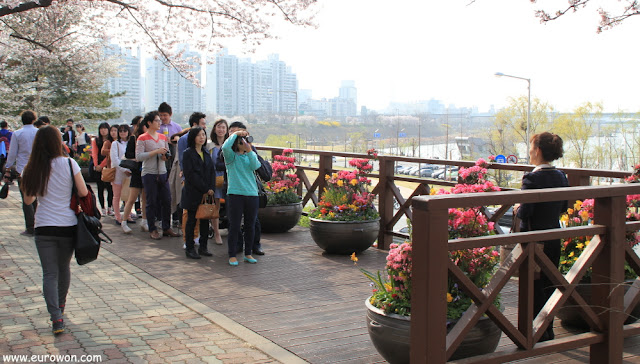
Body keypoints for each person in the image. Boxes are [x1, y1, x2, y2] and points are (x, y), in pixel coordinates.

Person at [20, 125, 89, 335]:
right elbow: (84, 191)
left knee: (49, 273)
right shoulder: (69, 164)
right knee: (63, 269)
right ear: (57, 142)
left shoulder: (31, 168)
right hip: (67, 225)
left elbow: (28, 200)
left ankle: (56, 318)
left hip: (43, 226)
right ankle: (60, 307)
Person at [516, 131, 569, 343]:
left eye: (530, 147)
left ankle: (534, 332)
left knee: (532, 285)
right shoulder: (561, 176)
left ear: (537, 150)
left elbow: (525, 212)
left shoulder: (532, 178)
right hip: (553, 235)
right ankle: (548, 328)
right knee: (549, 283)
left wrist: (518, 207)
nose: (529, 152)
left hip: (533, 240)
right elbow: (564, 206)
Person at [136, 111, 180, 240]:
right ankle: (152, 228)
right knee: (151, 202)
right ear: (149, 123)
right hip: (149, 173)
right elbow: (138, 157)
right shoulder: (142, 138)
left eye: (160, 120)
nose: (159, 122)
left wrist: (165, 156)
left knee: (167, 200)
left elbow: (165, 154)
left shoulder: (162, 137)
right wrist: (156, 151)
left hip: (162, 172)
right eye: (157, 120)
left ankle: (166, 227)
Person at [222, 128, 261, 266]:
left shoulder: (250, 155)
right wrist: (236, 134)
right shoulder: (231, 157)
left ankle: (248, 253)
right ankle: (232, 254)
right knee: (234, 225)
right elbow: (225, 147)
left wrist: (249, 150)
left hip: (251, 194)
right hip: (235, 195)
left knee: (250, 225)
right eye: (241, 141)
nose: (244, 142)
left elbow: (256, 165)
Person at [181, 127, 216, 259]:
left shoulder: (206, 152)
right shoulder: (187, 153)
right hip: (193, 192)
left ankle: (203, 247)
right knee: (191, 221)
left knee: (205, 220)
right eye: (199, 135)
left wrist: (211, 187)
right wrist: (205, 188)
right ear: (193, 137)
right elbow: (190, 175)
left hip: (206, 193)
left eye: (203, 135)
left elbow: (211, 172)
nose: (202, 137)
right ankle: (190, 248)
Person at [4, 110, 39, 236]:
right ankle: (37, 224)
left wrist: (8, 168)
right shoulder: (39, 132)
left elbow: (12, 153)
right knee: (35, 197)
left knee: (26, 198)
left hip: (22, 169)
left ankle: (30, 227)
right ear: (34, 120)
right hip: (37, 168)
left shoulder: (17, 134)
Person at [121, 116, 147, 234]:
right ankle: (124, 221)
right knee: (132, 198)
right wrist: (138, 157)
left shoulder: (151, 138)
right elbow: (128, 153)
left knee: (145, 198)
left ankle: (144, 222)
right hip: (137, 171)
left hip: (147, 171)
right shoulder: (134, 138)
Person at [208, 119, 228, 246]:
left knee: (228, 205)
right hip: (213, 178)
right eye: (219, 127)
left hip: (227, 179)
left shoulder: (229, 145)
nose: (221, 130)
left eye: (223, 127)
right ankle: (216, 232)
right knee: (215, 206)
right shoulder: (209, 145)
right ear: (215, 129)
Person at [110, 124, 131, 224]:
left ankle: (128, 216)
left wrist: (130, 170)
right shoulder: (115, 144)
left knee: (127, 196)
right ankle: (118, 216)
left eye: (125, 130)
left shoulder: (131, 143)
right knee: (117, 196)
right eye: (121, 131)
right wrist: (124, 169)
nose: (123, 133)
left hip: (129, 174)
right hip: (118, 173)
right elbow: (115, 160)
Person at [91, 122, 113, 216]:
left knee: (110, 188)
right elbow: (94, 153)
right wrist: (96, 165)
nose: (103, 130)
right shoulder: (96, 140)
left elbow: (111, 154)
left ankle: (110, 207)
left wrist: (102, 165)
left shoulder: (111, 141)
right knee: (100, 188)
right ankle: (103, 208)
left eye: (105, 128)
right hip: (98, 167)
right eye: (101, 129)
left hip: (108, 165)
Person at [101, 125, 118, 216]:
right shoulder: (108, 142)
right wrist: (113, 149)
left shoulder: (121, 142)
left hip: (120, 168)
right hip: (110, 168)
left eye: (115, 130)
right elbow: (103, 151)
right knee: (110, 190)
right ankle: (110, 208)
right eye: (112, 131)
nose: (113, 132)